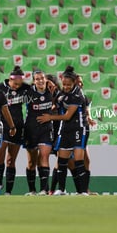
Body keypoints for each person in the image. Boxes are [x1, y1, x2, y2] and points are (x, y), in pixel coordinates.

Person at [37, 66, 88, 196]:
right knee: (62, 162)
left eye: (68, 85)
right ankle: (61, 189)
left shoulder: (78, 95)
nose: (65, 87)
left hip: (79, 129)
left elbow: (67, 116)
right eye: (64, 84)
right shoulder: (62, 94)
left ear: (74, 83)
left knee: (78, 161)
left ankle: (82, 191)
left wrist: (50, 117)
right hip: (65, 130)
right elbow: (56, 102)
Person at [0, 66, 30, 196]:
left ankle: (8, 191)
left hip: (18, 126)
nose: (17, 86)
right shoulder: (0, 88)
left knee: (11, 160)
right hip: (2, 125)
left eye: (19, 84)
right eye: (15, 84)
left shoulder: (26, 89)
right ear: (10, 79)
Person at [23, 70, 55, 196]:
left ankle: (44, 189)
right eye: (37, 79)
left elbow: (58, 100)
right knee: (31, 162)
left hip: (46, 129)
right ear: (34, 81)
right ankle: (32, 190)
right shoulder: (28, 93)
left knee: (44, 157)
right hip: (31, 130)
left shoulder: (51, 90)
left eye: (42, 78)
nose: (40, 81)